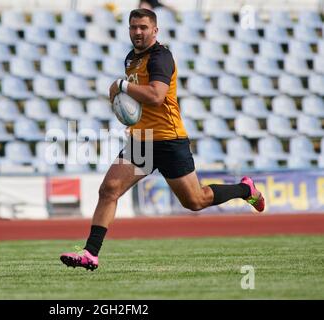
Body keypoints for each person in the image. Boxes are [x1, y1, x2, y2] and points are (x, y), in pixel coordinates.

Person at [60, 8, 265, 271]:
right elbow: (138, 103)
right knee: (109, 190)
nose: (138, 32)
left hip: (169, 140)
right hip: (142, 140)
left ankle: (245, 190)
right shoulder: (130, 59)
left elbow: (157, 95)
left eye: (143, 27)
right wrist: (128, 118)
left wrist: (121, 86)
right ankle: (90, 253)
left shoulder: (161, 57)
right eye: (133, 27)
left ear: (155, 30)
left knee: (195, 201)